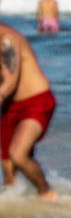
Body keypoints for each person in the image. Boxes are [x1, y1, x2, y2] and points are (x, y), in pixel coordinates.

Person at [1, 19, 58, 198]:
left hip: (36, 101)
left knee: (18, 154)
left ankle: (47, 194)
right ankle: (18, 214)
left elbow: (9, 83)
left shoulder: (7, 39)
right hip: (9, 106)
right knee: (8, 166)